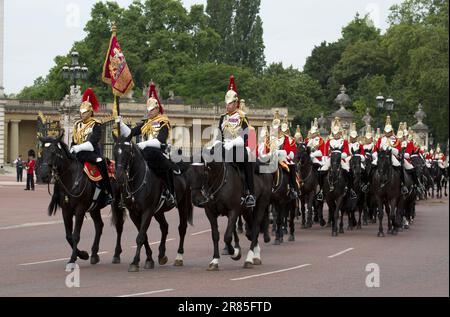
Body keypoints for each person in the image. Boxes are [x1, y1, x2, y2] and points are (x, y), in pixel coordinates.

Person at [117, 82, 178, 206]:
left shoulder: (163, 122)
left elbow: (160, 140)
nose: (149, 112)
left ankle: (170, 193)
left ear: (157, 109)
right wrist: (121, 123)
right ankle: (127, 194)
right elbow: (130, 133)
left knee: (164, 168)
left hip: (158, 151)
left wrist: (143, 145)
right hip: (144, 152)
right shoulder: (145, 123)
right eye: (148, 110)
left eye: (152, 110)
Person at [211, 75, 256, 208]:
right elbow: (219, 133)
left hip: (237, 146)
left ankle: (249, 193)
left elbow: (245, 136)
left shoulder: (242, 117)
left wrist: (233, 143)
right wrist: (216, 143)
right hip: (224, 146)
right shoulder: (222, 118)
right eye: (226, 103)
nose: (227, 106)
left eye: (230, 103)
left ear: (236, 103)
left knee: (246, 160)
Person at [70, 88, 113, 204]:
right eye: (81, 112)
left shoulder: (96, 124)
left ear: (90, 112)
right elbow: (74, 140)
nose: (82, 114)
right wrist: (72, 147)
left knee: (101, 162)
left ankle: (107, 191)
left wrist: (77, 148)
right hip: (78, 153)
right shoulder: (76, 124)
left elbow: (92, 143)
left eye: (85, 112)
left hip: (91, 153)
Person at [320, 117, 357, 200]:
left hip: (340, 159)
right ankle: (321, 191)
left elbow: (346, 152)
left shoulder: (344, 141)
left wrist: (340, 155)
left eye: (337, 134)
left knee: (348, 171)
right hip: (331, 159)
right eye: (334, 133)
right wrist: (326, 157)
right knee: (322, 171)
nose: (336, 135)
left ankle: (350, 189)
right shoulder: (329, 141)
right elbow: (326, 152)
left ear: (340, 133)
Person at [372, 116, 408, 195]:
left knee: (399, 166)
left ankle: (402, 184)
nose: (387, 133)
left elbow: (398, 150)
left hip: (391, 156)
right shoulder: (380, 139)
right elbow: (376, 149)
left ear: (391, 131)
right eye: (386, 132)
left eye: (389, 132)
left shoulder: (396, 139)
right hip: (381, 156)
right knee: (372, 166)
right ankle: (369, 184)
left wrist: (391, 149)